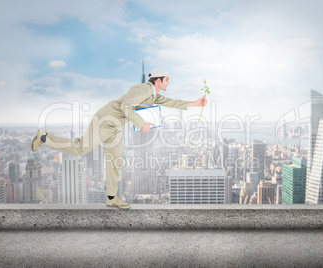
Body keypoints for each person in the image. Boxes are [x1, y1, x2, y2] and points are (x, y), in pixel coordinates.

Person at [30, 68, 207, 209]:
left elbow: (171, 102)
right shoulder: (142, 89)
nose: (169, 83)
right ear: (158, 80)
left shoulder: (152, 95)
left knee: (115, 161)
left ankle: (111, 198)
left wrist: (195, 103)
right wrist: (141, 123)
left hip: (115, 127)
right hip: (104, 121)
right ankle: (44, 137)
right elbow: (126, 106)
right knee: (80, 148)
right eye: (168, 80)